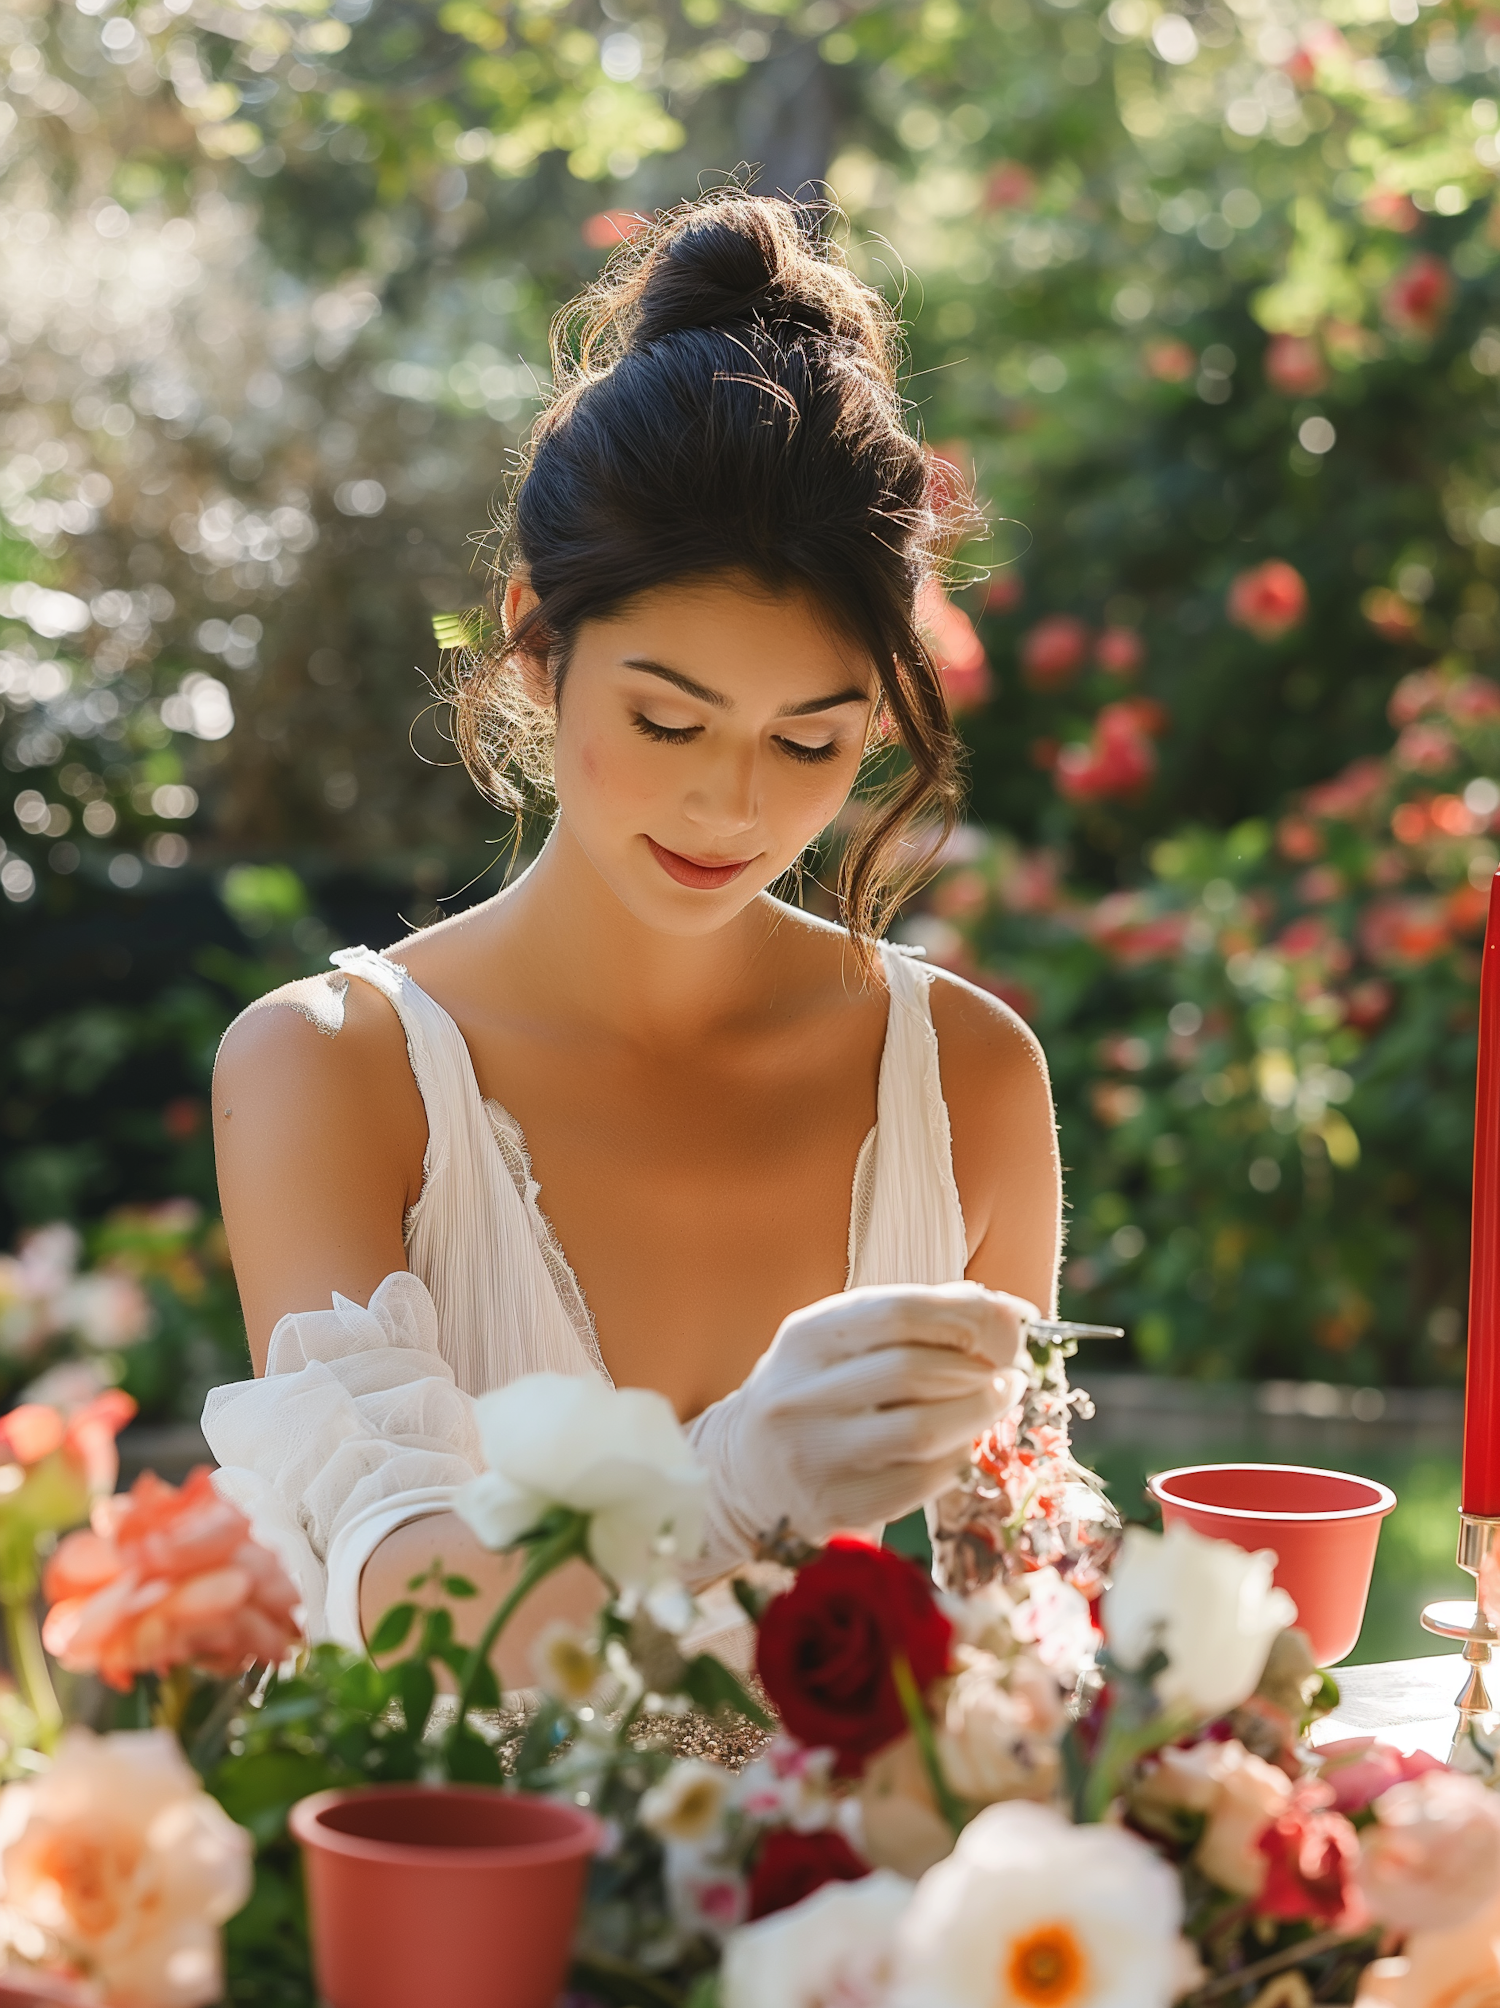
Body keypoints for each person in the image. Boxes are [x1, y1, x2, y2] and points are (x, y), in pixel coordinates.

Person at [202, 193, 1061, 1680]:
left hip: (863, 1900)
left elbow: (1020, 1599)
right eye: (668, 719)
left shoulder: (969, 1079)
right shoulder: (329, 1069)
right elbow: (388, 1598)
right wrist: (724, 1493)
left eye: (809, 741)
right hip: (465, 1900)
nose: (731, 802)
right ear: (537, 640)